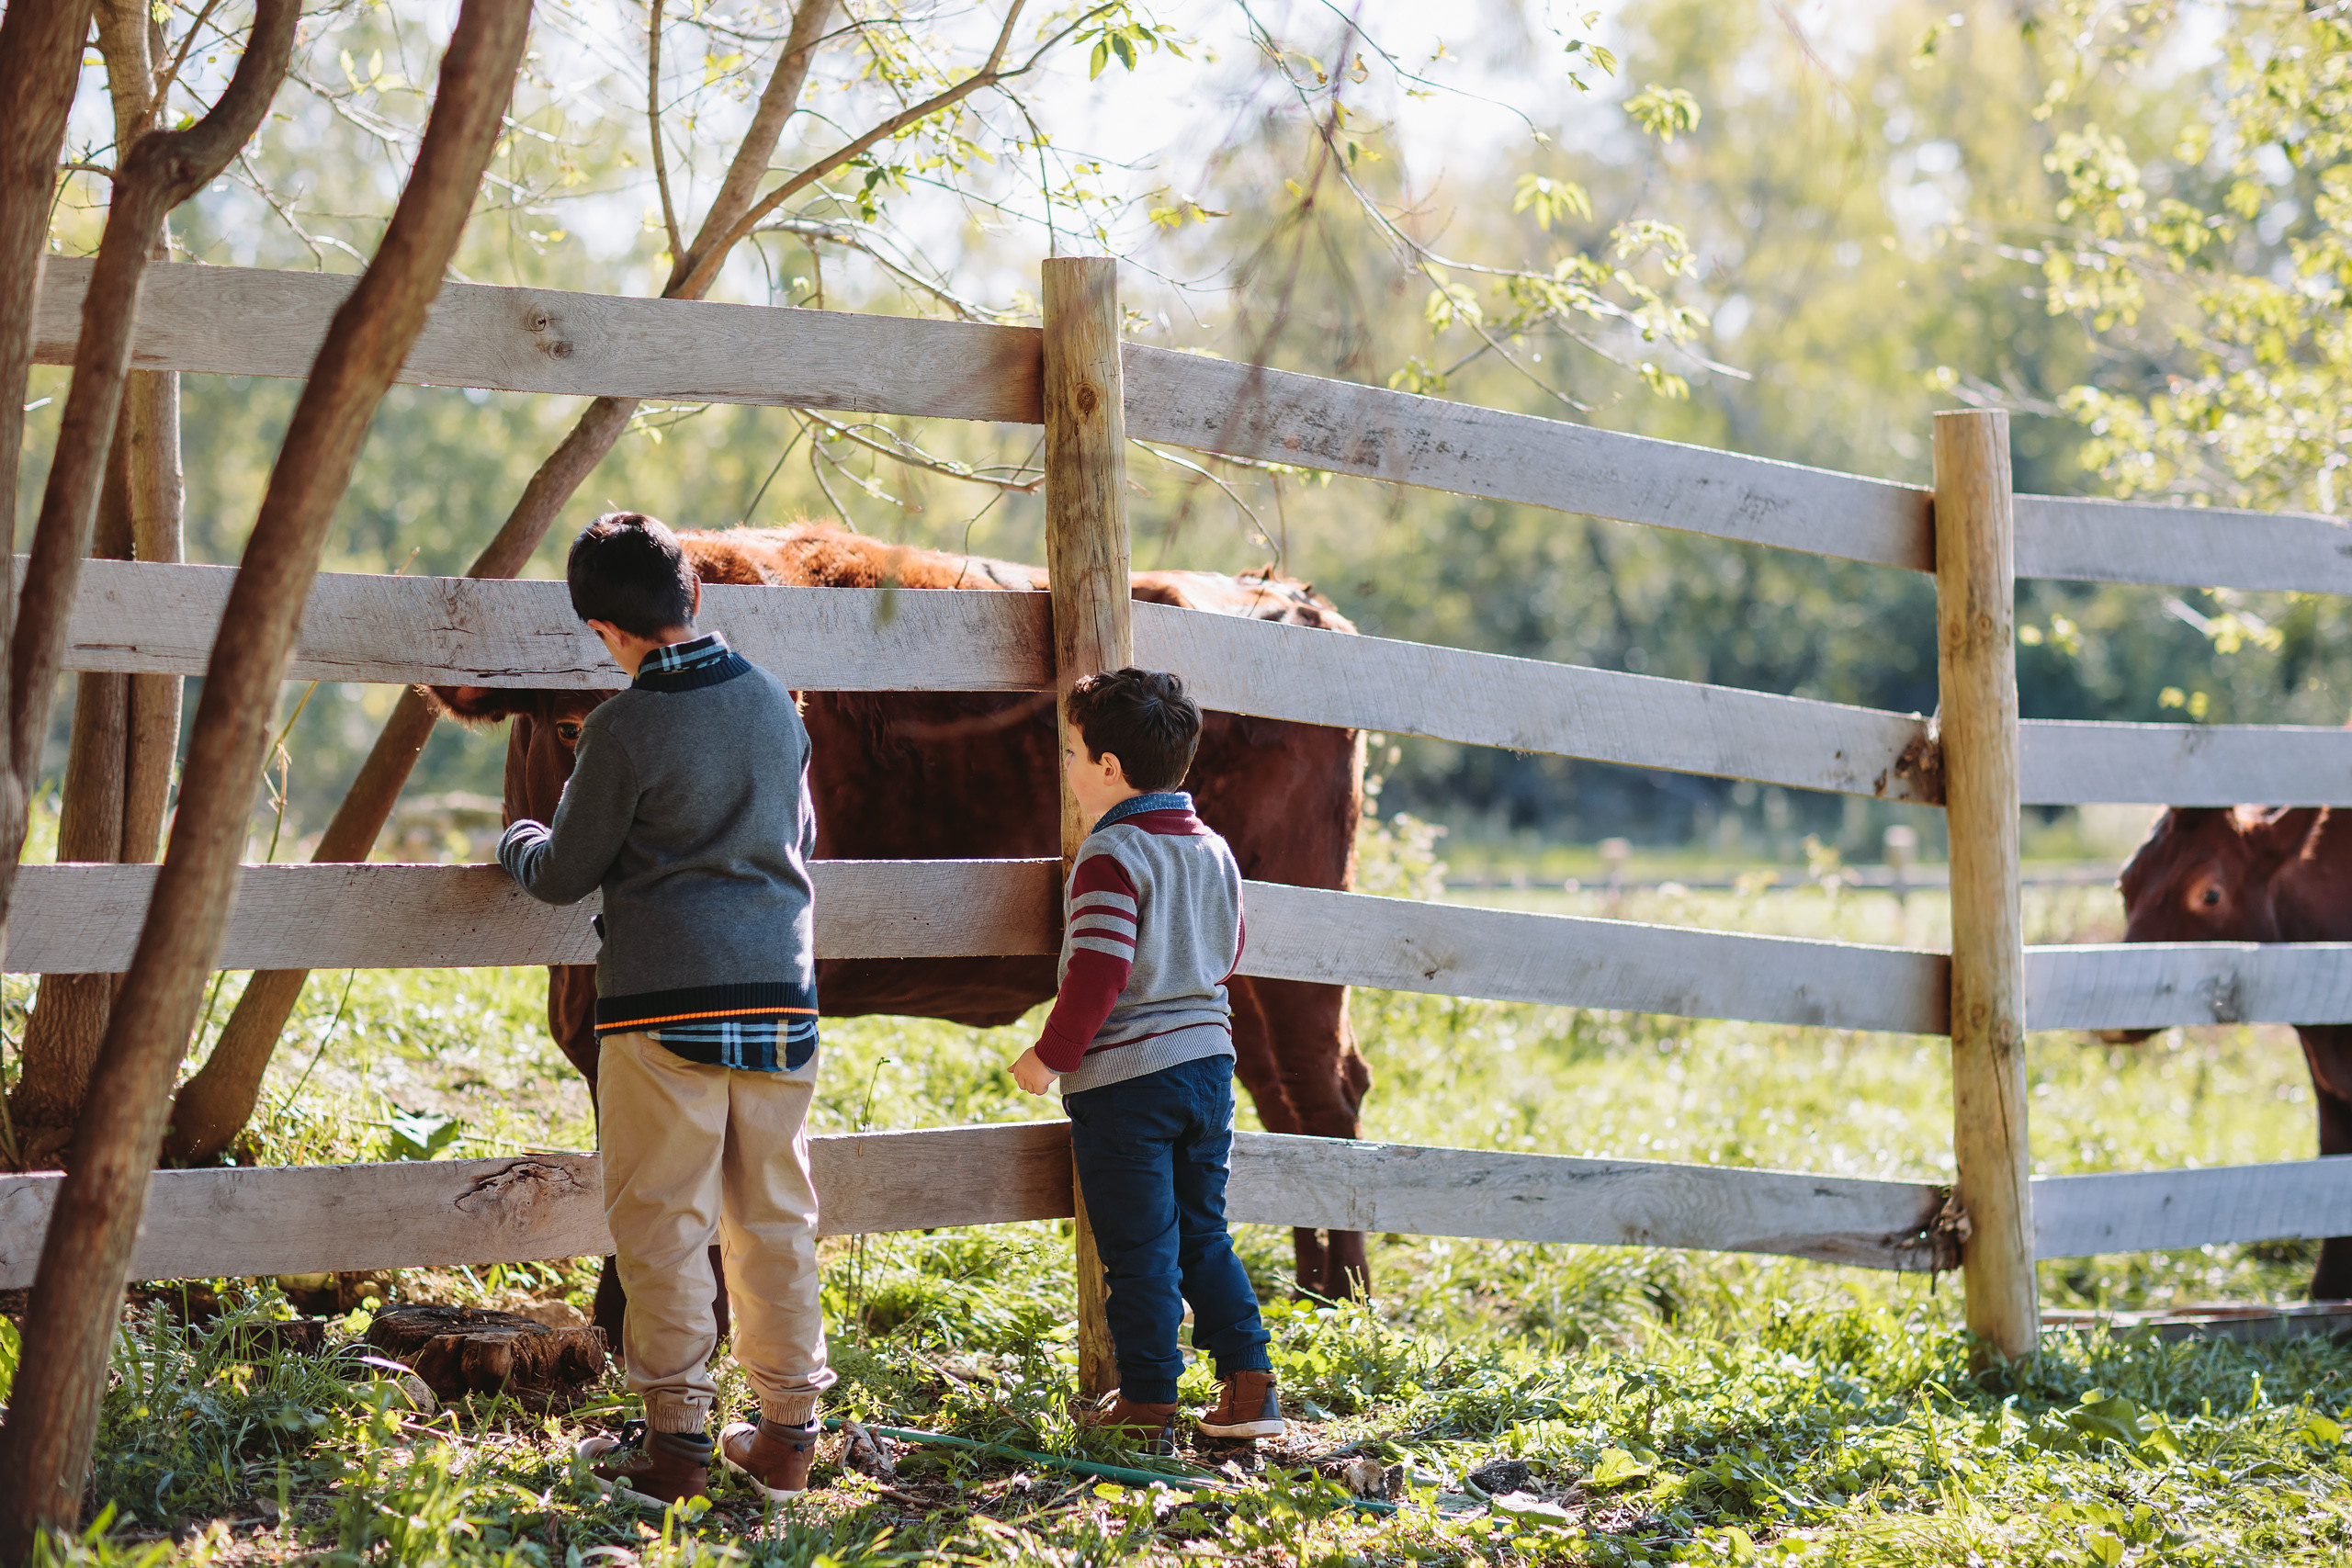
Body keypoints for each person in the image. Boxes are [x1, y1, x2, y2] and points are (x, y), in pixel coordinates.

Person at [497, 512, 832, 1509]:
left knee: (663, 1224)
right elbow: (799, 833)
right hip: (781, 1000)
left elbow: (564, 874)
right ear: (693, 597)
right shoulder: (777, 704)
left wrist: (518, 837)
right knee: (777, 1219)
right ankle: (786, 1436)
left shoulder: (622, 727)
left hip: (662, 1012)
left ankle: (678, 1444)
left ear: (605, 628)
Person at [1009, 668, 1284, 1445]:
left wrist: (1048, 1057)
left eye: (1070, 752)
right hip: (1208, 1064)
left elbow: (1099, 971)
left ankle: (1149, 1401)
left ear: (1108, 768)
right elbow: (1227, 953)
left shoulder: (1112, 855)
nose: (1063, 767)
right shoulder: (1215, 849)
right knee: (1202, 1230)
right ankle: (1249, 1386)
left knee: (1139, 1247)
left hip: (1130, 1081)